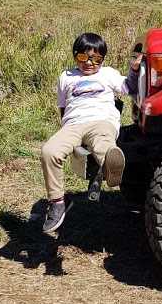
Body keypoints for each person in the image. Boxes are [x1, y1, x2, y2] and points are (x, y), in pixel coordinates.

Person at [40, 32, 142, 233]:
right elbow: (63, 107)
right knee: (49, 151)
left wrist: (134, 69)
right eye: (83, 57)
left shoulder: (108, 74)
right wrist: (67, 132)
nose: (89, 63)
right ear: (75, 55)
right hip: (73, 124)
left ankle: (111, 168)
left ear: (102, 59)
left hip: (102, 121)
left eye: (96, 59)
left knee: (104, 145)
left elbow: (129, 87)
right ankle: (57, 203)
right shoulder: (66, 77)